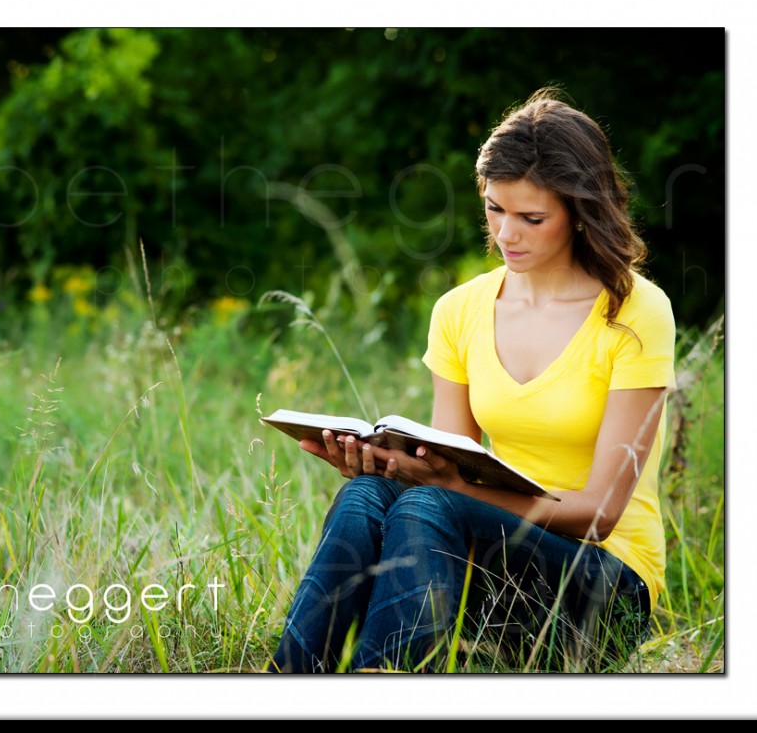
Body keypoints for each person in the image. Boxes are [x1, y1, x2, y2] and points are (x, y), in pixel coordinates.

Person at [269, 87, 677, 673]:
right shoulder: (459, 310)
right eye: (494, 209)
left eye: (531, 218)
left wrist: (447, 486)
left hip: (603, 587)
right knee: (367, 497)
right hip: (490, 573)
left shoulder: (635, 312)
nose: (506, 233)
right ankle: (289, 678)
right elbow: (451, 462)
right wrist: (390, 465)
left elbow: (599, 514)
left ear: (580, 212)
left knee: (430, 506)